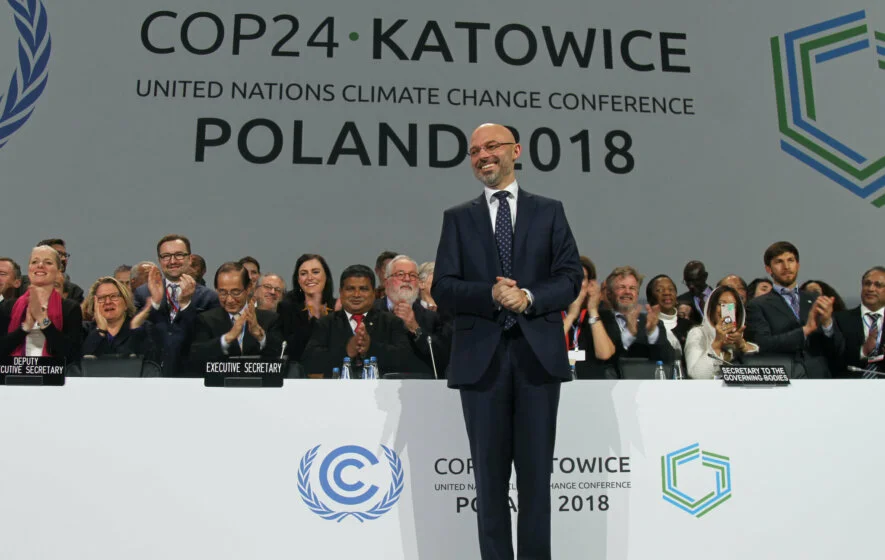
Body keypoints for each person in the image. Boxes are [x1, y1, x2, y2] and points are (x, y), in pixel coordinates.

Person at [432, 123, 582, 560]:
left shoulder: (549, 211)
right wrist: (490, 294)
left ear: (515, 150)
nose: (482, 156)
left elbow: (570, 276)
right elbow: (443, 286)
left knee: (536, 482)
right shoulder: (457, 218)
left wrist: (530, 297)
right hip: (482, 363)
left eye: (491, 146)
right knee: (489, 484)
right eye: (474, 151)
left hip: (538, 361)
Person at [745, 241, 844, 378]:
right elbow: (762, 345)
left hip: (819, 379)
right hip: (784, 378)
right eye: (779, 262)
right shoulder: (757, 305)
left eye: (790, 260)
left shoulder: (816, 300)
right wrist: (805, 330)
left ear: (798, 265)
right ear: (769, 269)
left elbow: (838, 349)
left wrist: (828, 324)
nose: (786, 266)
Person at [302, 264, 412, 376]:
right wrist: (347, 351)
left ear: (374, 293)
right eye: (350, 289)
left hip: (381, 391)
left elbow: (405, 361)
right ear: (341, 292)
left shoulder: (391, 322)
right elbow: (309, 363)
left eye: (363, 289)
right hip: (336, 391)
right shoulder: (325, 323)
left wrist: (371, 347)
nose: (356, 294)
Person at [134, 234, 219, 376]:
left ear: (189, 258)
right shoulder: (142, 294)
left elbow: (206, 343)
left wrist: (186, 306)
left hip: (192, 377)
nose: (172, 261)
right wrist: (154, 303)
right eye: (166, 256)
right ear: (159, 260)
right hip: (151, 376)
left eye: (179, 255)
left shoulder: (209, 298)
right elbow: (134, 334)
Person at [374, 255, 451, 377]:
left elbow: (442, 358)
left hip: (421, 388)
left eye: (412, 275)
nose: (407, 279)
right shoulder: (372, 312)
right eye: (400, 274)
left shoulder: (433, 318)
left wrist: (415, 328)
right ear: (386, 281)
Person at [0, 246, 82, 361]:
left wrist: (44, 321)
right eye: (34, 262)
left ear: (59, 271)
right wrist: (25, 327)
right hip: (14, 376)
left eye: (48, 262)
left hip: (54, 377)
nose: (40, 265)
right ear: (29, 269)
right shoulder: (7, 307)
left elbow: (72, 354)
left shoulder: (70, 308)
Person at [191, 262, 282, 362]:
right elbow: (197, 356)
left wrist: (260, 336)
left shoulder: (270, 319)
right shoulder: (206, 320)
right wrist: (227, 339)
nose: (229, 300)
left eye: (236, 292)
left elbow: (281, 354)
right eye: (223, 293)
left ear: (248, 288)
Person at [684, 285, 759, 379]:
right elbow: (697, 376)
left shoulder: (741, 333)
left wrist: (741, 344)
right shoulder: (697, 333)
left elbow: (761, 372)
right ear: (711, 307)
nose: (726, 310)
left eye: (732, 306)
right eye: (721, 304)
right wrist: (717, 343)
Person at [606, 266, 673, 368]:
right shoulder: (600, 323)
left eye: (632, 288)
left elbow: (668, 360)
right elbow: (604, 360)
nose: (627, 292)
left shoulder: (653, 324)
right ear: (609, 294)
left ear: (637, 294)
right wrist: (629, 335)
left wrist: (652, 334)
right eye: (622, 287)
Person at [562, 256, 618, 379]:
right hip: (556, 384)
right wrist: (571, 316)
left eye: (581, 279)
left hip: (591, 385)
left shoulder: (604, 315)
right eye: (571, 278)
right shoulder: (550, 314)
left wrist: (593, 310)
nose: (576, 284)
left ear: (590, 284)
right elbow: (548, 348)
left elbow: (604, 354)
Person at [277, 253, 336, 362]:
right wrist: (313, 319)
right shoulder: (287, 308)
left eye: (315, 272)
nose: (310, 278)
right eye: (304, 274)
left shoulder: (337, 308)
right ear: (299, 280)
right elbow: (290, 350)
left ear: (326, 277)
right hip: (299, 373)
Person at [832, 267, 885, 377]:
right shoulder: (840, 319)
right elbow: (833, 356)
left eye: (878, 285)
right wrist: (863, 351)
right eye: (867, 284)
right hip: (850, 386)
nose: (870, 289)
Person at [81, 277, 151, 356]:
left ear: (126, 303)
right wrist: (100, 331)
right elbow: (82, 362)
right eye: (101, 298)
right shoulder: (84, 330)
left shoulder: (143, 328)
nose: (108, 302)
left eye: (113, 296)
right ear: (94, 305)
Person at [646, 274, 692, 355]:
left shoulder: (689, 326)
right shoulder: (644, 326)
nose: (667, 293)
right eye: (659, 290)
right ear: (650, 298)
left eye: (671, 289)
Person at [37, 238, 85, 303]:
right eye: (59, 254)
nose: (63, 258)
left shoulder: (74, 292)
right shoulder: (21, 287)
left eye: (65, 255)